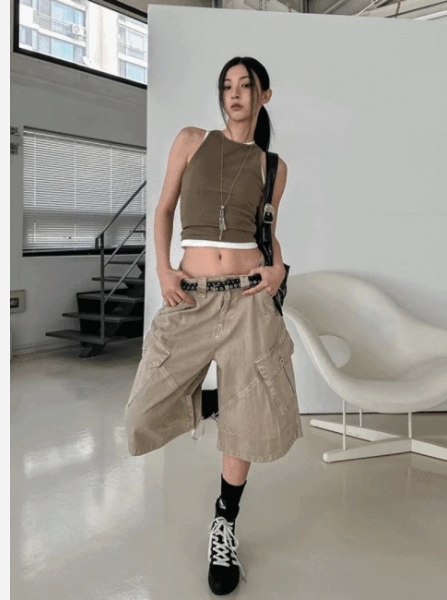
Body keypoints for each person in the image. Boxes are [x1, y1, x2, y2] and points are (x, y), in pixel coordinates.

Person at [124, 56, 303, 596]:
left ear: (264, 96)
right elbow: (163, 211)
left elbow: (268, 232)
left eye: (246, 85)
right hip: (192, 296)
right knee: (141, 414)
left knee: (247, 425)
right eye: (227, 86)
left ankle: (224, 521)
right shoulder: (191, 140)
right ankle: (223, 400)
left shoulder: (273, 167)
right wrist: (163, 269)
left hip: (248, 299)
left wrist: (278, 269)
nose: (235, 93)